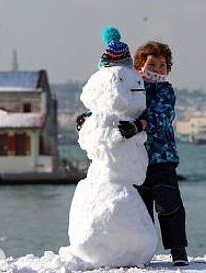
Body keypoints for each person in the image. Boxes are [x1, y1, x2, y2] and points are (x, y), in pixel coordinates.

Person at [77, 40, 189, 266]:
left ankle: (178, 250)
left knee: (169, 205)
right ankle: (141, 251)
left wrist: (140, 125)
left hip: (161, 159)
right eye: (152, 64)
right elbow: (111, 104)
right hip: (134, 160)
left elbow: (162, 117)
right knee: (140, 208)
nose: (157, 69)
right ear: (139, 65)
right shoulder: (129, 85)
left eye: (162, 65)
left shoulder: (165, 91)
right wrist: (89, 117)